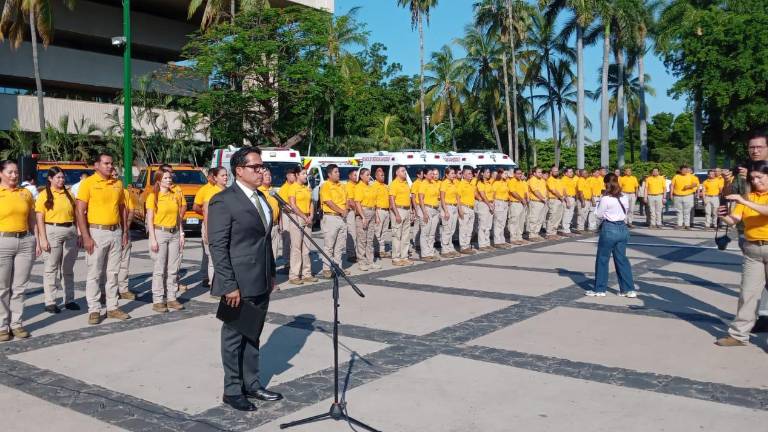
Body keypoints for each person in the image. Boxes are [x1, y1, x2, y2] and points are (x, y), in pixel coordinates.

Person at [207, 146, 281, 412]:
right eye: (256, 167)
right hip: (237, 282)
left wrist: (271, 272)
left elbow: (264, 241)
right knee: (234, 337)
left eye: (261, 166)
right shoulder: (223, 200)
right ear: (239, 170)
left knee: (253, 334)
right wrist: (229, 285)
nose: (261, 171)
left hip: (260, 278)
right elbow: (218, 245)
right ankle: (233, 390)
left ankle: (252, 383)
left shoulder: (262, 198)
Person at [714, 160, 768, 346]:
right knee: (748, 293)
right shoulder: (748, 196)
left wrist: (744, 201)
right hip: (753, 249)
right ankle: (738, 335)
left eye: (760, 177)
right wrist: (722, 215)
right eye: (753, 178)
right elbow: (735, 219)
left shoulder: (748, 199)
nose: (756, 181)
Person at [76, 153, 130, 325]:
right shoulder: (88, 184)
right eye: (105, 163)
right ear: (96, 165)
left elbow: (122, 208)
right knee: (95, 273)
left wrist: (124, 231)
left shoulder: (118, 184)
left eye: (111, 163)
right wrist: (85, 236)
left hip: (115, 232)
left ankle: (113, 306)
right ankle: (94, 309)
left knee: (113, 273)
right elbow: (79, 211)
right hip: (96, 232)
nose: (109, 166)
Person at [0, 160, 40, 341]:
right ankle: (2, 325)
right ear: (1, 174)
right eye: (10, 172)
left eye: (16, 172)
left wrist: (36, 239)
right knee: (2, 288)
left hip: (25, 241)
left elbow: (32, 218)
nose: (14, 175)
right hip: (3, 241)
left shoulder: (26, 193)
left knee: (19, 287)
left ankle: (16, 323)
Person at [35, 166, 80, 314]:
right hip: (52, 231)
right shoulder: (43, 195)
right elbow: (39, 217)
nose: (61, 180)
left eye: (62, 177)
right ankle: (50, 302)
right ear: (50, 179)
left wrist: (78, 232)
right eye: (58, 177)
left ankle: (70, 299)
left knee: (67, 268)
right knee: (51, 268)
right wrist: (42, 239)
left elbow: (76, 214)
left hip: (70, 230)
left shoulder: (69, 194)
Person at [586, 173, 636, 298]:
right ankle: (628, 289)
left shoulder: (606, 198)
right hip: (622, 228)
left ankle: (600, 289)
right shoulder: (624, 197)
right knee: (622, 259)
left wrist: (599, 201)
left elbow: (598, 214)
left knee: (603, 259)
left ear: (605, 183)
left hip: (610, 228)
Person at [146, 170, 185, 313]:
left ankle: (172, 298)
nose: (169, 180)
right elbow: (150, 219)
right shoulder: (153, 196)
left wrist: (181, 233)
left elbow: (178, 216)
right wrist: (153, 239)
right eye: (166, 178)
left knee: (173, 268)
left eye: (170, 178)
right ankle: (158, 300)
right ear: (158, 180)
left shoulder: (175, 195)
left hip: (174, 233)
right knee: (159, 268)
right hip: (160, 233)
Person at [286, 169, 316, 284]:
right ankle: (294, 275)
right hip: (297, 217)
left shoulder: (307, 188)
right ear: (297, 175)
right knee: (296, 248)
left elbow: (311, 203)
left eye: (306, 174)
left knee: (306, 248)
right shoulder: (293, 187)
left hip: (308, 218)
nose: (305, 176)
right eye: (303, 174)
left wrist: (311, 216)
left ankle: (306, 273)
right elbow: (293, 205)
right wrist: (304, 216)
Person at [319, 164, 348, 278]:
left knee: (339, 245)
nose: (338, 174)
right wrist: (341, 211)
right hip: (331, 217)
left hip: (341, 217)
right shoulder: (325, 186)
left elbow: (346, 200)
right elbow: (328, 202)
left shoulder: (342, 186)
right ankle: (326, 269)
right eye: (335, 172)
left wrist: (345, 210)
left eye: (338, 171)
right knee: (329, 245)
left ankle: (338, 267)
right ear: (329, 174)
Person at [201, 167, 228, 290]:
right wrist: (207, 231)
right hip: (213, 227)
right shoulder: (211, 192)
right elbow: (206, 212)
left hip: (225, 228)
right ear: (215, 178)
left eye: (226, 175)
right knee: (213, 258)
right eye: (222, 175)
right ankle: (213, 285)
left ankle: (224, 284)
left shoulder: (228, 191)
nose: (225, 177)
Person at [115, 168, 136, 301]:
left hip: (123, 231)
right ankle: (108, 291)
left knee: (124, 262)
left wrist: (126, 229)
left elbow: (131, 210)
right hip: (109, 231)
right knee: (109, 265)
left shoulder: (125, 193)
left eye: (116, 175)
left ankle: (123, 289)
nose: (114, 176)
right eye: (112, 174)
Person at [194, 169, 218, 287]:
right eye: (213, 176)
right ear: (209, 177)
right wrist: (205, 213)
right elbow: (196, 207)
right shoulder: (204, 190)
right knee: (207, 252)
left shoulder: (222, 189)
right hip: (208, 223)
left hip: (218, 224)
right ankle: (206, 276)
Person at [353, 168, 379, 271]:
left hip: (372, 211)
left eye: (369, 175)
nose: (369, 177)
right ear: (361, 176)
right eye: (367, 175)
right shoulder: (359, 187)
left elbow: (375, 203)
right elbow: (357, 203)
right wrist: (363, 216)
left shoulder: (371, 187)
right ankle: (362, 262)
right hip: (363, 211)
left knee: (370, 239)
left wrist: (376, 216)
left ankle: (370, 261)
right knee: (362, 239)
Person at [388, 165, 413, 266]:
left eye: (405, 171)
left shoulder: (406, 183)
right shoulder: (394, 184)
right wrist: (396, 214)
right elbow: (392, 200)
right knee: (397, 235)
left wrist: (411, 211)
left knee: (406, 236)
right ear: (397, 173)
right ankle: (396, 258)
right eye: (402, 171)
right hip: (398, 210)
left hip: (406, 210)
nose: (405, 172)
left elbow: (409, 198)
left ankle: (404, 257)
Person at [258, 169, 281, 264]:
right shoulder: (258, 191)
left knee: (274, 252)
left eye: (269, 175)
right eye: (265, 175)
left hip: (275, 226)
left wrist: (280, 224)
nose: (268, 176)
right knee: (263, 253)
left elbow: (279, 208)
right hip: (264, 227)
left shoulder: (273, 191)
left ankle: (272, 275)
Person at [419, 168, 441, 261]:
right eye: (430, 173)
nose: (432, 175)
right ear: (425, 175)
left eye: (433, 173)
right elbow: (420, 199)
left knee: (432, 234)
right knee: (425, 233)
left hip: (435, 210)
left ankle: (430, 252)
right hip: (427, 209)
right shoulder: (423, 184)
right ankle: (425, 254)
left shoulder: (434, 183)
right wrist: (424, 212)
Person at [277, 169, 297, 270]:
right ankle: (287, 261)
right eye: (293, 175)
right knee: (287, 239)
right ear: (288, 176)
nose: (295, 177)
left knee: (295, 239)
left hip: (297, 215)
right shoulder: (283, 188)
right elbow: (282, 205)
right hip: (287, 215)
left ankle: (294, 260)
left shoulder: (297, 186)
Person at [439, 167, 461, 257]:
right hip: (447, 207)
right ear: (447, 174)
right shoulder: (444, 184)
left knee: (452, 229)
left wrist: (459, 209)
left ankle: (450, 248)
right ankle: (444, 250)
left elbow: (457, 197)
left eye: (454, 173)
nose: (454, 175)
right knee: (446, 229)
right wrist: (446, 211)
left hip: (454, 207)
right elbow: (442, 198)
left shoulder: (454, 183)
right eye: (451, 173)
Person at [671, 165, 700, 229]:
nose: (685, 171)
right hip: (677, 196)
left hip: (688, 196)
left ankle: (687, 225)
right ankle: (679, 224)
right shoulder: (676, 176)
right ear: (680, 170)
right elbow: (672, 186)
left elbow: (695, 184)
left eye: (686, 169)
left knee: (687, 211)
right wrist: (671, 194)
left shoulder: (692, 176)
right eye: (683, 169)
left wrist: (689, 186)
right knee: (679, 211)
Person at [457, 167, 477, 253]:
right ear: (464, 175)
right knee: (463, 228)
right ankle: (463, 246)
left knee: (470, 228)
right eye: (469, 173)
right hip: (464, 207)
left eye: (471, 173)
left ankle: (467, 245)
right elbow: (457, 197)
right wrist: (460, 209)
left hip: (471, 208)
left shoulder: (471, 184)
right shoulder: (461, 184)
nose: (471, 175)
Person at [372, 168, 391, 259]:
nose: (383, 177)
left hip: (386, 211)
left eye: (383, 175)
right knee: (377, 231)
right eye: (381, 175)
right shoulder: (374, 186)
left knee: (384, 231)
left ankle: (382, 250)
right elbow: (373, 201)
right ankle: (376, 250)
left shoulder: (386, 186)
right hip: (379, 210)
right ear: (376, 176)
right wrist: (376, 215)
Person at [475, 167, 495, 251]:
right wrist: (489, 204)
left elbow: (493, 193)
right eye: (487, 172)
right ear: (482, 173)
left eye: (489, 172)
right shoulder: (480, 183)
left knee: (488, 225)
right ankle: (482, 244)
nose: (489, 174)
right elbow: (483, 195)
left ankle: (487, 243)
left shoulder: (489, 182)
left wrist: (493, 202)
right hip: (484, 204)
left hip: (490, 203)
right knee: (482, 225)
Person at [507, 168, 528, 245]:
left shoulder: (521, 182)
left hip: (522, 204)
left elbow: (524, 192)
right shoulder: (512, 181)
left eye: (521, 174)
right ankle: (513, 238)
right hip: (515, 203)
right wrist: (522, 199)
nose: (520, 175)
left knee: (521, 221)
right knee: (514, 221)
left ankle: (519, 237)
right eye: (518, 173)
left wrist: (525, 199)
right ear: (514, 174)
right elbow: (513, 192)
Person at [491, 168, 511, 248]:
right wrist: (493, 204)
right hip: (499, 202)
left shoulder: (506, 182)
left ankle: (502, 240)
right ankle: (497, 241)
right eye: (505, 174)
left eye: (506, 174)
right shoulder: (496, 183)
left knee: (503, 222)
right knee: (498, 222)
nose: (506, 175)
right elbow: (493, 194)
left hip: (505, 202)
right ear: (500, 174)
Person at [545, 166, 566, 240]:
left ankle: (554, 232)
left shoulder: (559, 180)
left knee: (558, 217)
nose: (556, 172)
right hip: (553, 200)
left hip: (560, 200)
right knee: (552, 216)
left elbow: (563, 189)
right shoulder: (550, 180)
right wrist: (561, 197)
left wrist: (564, 198)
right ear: (551, 172)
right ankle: (549, 233)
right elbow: (553, 190)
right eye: (555, 171)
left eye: (557, 171)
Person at [527, 167, 548, 241]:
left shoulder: (542, 180)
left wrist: (545, 198)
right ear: (534, 173)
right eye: (538, 172)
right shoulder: (532, 180)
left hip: (542, 202)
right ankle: (532, 235)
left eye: (541, 172)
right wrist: (543, 198)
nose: (540, 173)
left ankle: (536, 233)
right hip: (536, 202)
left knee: (540, 219)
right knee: (534, 219)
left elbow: (545, 190)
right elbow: (535, 191)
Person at [344, 168, 359, 263]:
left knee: (358, 233)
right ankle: (351, 254)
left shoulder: (357, 185)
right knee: (352, 232)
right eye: (354, 175)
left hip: (358, 211)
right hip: (351, 211)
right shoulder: (348, 186)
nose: (356, 177)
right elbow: (350, 201)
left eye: (357, 175)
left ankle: (358, 252)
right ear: (349, 176)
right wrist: (357, 210)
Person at [560, 167, 577, 235]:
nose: (571, 173)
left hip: (572, 197)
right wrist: (567, 200)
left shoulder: (571, 179)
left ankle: (567, 228)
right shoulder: (564, 179)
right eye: (570, 172)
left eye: (572, 172)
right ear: (566, 173)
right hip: (568, 198)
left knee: (570, 214)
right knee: (566, 214)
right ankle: (565, 229)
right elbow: (563, 190)